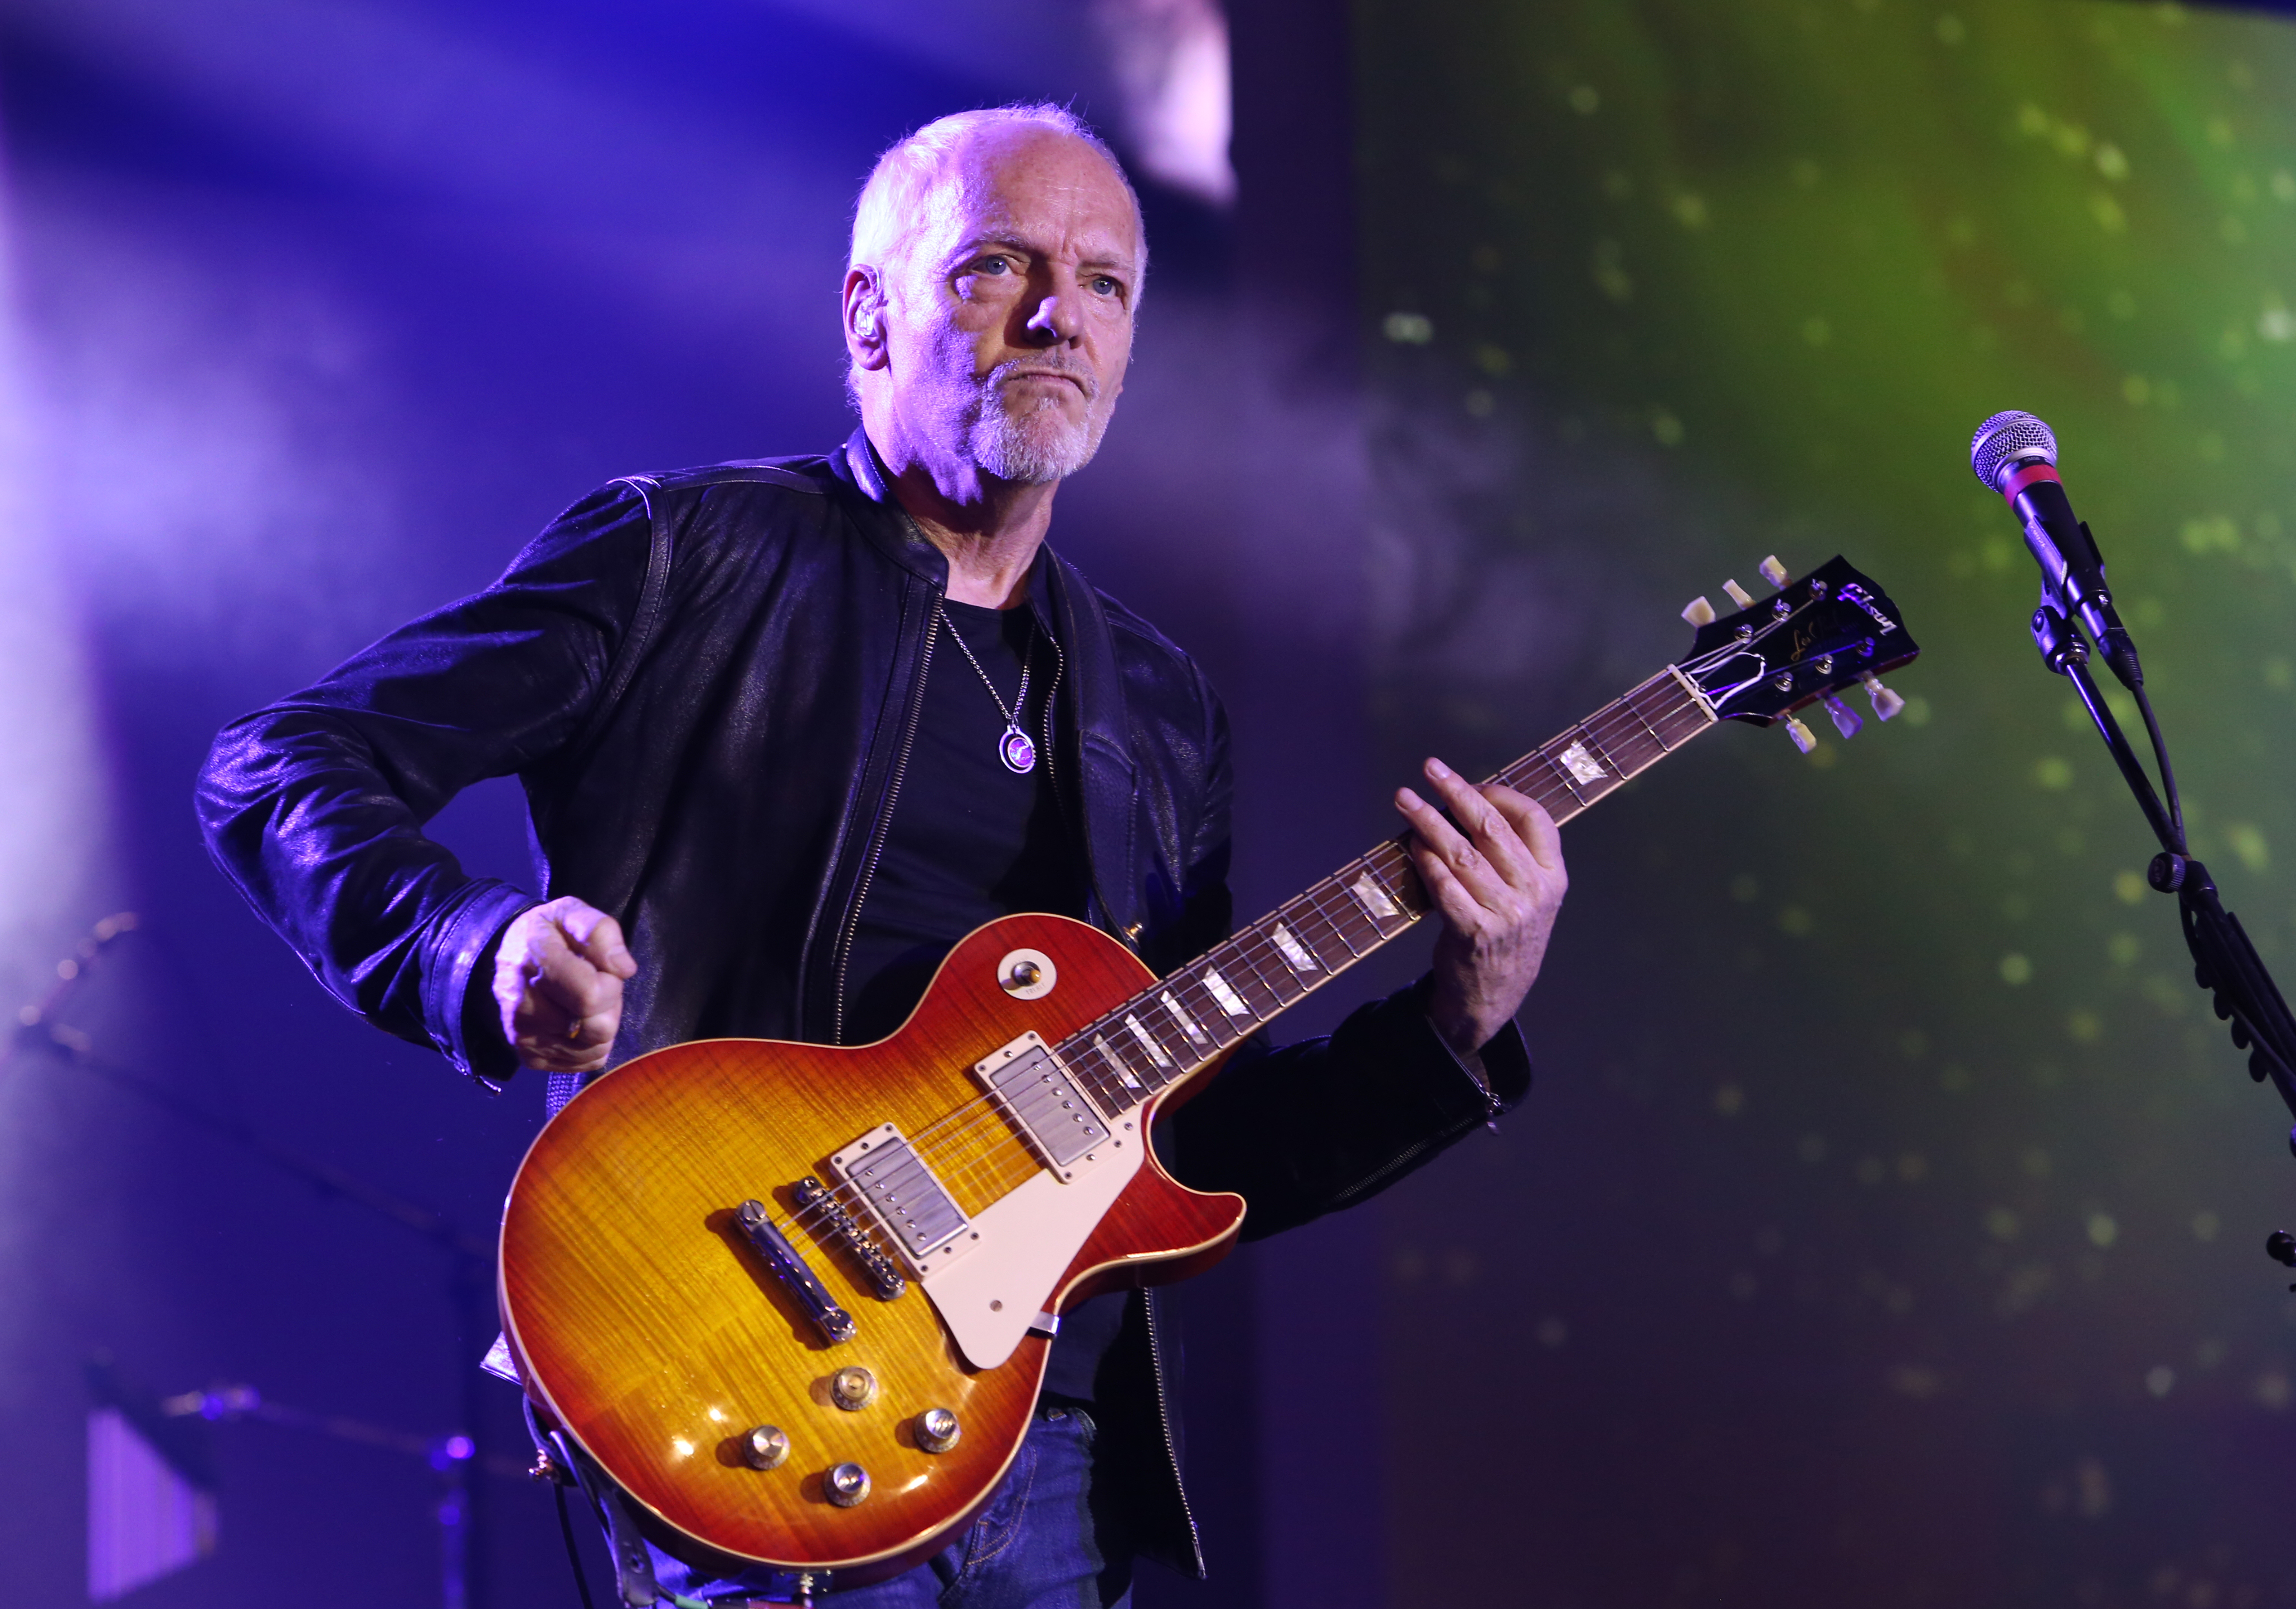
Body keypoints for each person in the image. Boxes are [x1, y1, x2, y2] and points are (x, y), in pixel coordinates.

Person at [197, 104, 1566, 1608]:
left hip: (1045, 1453)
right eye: (998, 265)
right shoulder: (688, 555)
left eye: (1107, 284)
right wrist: (478, 952)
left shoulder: (1160, 707)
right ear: (870, 312)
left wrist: (1463, 1018)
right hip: (747, 1380)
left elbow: (1198, 1145)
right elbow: (281, 766)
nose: (1059, 314)